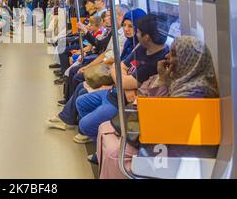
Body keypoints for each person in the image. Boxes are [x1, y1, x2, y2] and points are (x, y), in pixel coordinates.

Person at [98, 36, 219, 179]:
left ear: (188, 59)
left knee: (115, 155)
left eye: (173, 53)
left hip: (178, 152)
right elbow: (148, 98)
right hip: (166, 137)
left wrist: (161, 80)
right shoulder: (182, 81)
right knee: (105, 128)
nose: (167, 56)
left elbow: (158, 115)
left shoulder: (195, 93)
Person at [75, 14, 169, 162]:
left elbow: (121, 73)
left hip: (121, 103)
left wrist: (122, 80)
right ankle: (99, 145)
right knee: (81, 102)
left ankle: (101, 153)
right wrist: (124, 83)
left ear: (146, 37)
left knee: (84, 125)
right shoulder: (142, 48)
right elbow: (119, 67)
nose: (135, 33)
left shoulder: (157, 61)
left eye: (138, 31)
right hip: (115, 92)